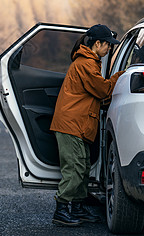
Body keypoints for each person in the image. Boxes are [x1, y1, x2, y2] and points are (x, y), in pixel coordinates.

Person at [50, 24, 125, 226]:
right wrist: (120, 76)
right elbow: (102, 90)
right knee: (74, 169)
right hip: (71, 124)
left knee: (82, 168)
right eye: (108, 45)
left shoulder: (91, 62)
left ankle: (78, 207)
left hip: (79, 125)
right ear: (97, 43)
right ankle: (62, 209)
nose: (109, 48)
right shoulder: (86, 64)